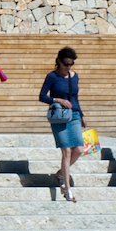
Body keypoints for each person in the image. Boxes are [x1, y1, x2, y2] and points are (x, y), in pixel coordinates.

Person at [41, 46, 85, 203]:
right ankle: (67, 189)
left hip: (73, 114)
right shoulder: (52, 77)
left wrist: (81, 114)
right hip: (59, 115)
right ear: (59, 61)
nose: (68, 67)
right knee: (66, 151)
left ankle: (60, 173)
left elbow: (75, 98)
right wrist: (57, 99)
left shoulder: (74, 76)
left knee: (79, 149)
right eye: (66, 63)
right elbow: (42, 96)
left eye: (71, 64)